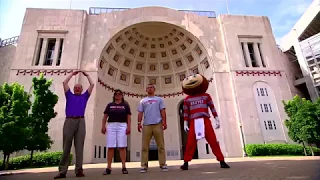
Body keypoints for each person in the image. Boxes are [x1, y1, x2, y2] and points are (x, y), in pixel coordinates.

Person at [180, 74, 230, 170]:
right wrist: (185, 123)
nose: (191, 80)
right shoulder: (187, 99)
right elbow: (186, 112)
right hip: (194, 121)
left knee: (213, 141)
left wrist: (216, 118)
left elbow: (212, 107)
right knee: (190, 143)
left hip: (205, 120)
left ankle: (221, 160)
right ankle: (186, 162)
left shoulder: (206, 96)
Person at [54, 70, 94, 179]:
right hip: (69, 120)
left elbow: (92, 85)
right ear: (73, 89)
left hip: (81, 121)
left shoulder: (84, 97)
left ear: (81, 90)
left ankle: (79, 170)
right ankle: (62, 171)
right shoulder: (69, 95)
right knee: (66, 146)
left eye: (79, 88)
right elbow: (64, 83)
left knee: (79, 146)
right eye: (75, 87)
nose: (77, 89)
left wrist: (87, 75)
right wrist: (72, 74)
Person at [137, 84, 168, 173]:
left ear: (154, 89)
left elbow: (163, 111)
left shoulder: (159, 99)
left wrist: (164, 122)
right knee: (144, 147)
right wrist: (139, 123)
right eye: (148, 87)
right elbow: (140, 112)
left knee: (161, 146)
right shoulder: (143, 101)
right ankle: (144, 166)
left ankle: (163, 165)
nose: (150, 88)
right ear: (146, 90)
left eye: (151, 87)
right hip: (146, 125)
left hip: (157, 124)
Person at [101, 89, 131, 175]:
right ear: (114, 96)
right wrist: (103, 126)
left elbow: (128, 118)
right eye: (116, 94)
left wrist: (128, 127)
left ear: (122, 96)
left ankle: (124, 166)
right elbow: (105, 116)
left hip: (122, 125)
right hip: (111, 125)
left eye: (119, 94)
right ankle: (108, 167)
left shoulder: (125, 105)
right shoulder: (110, 105)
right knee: (110, 146)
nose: (118, 95)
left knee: (122, 146)